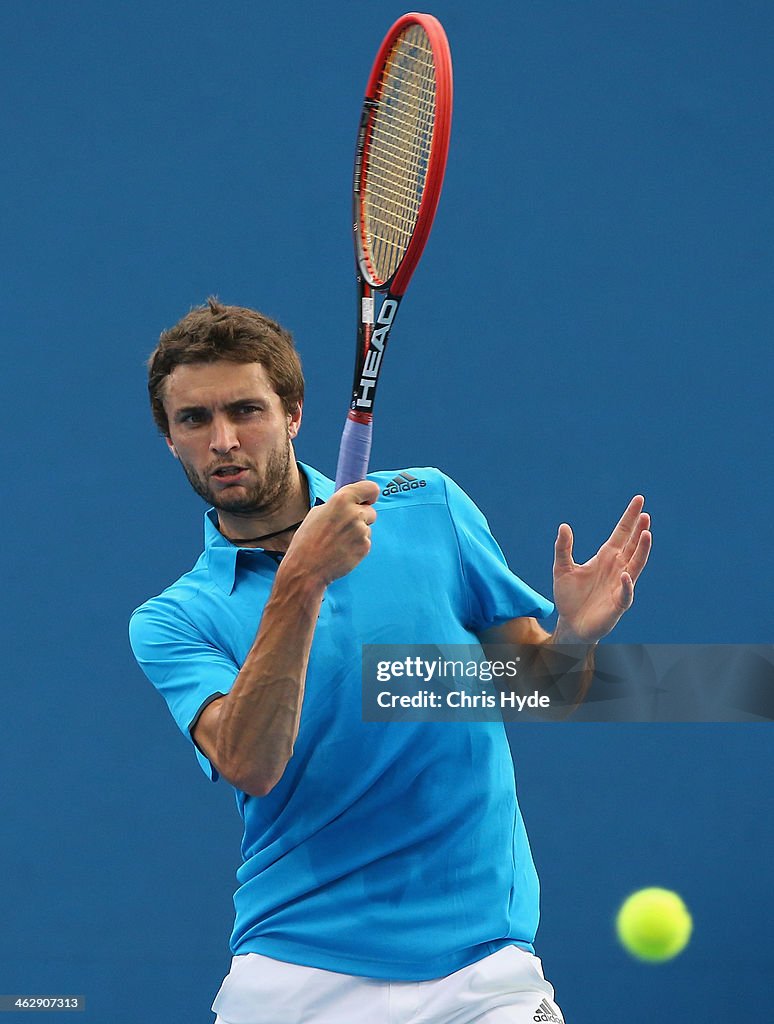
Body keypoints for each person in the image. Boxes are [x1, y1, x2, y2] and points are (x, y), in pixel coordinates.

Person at [130, 298, 651, 1024]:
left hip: (483, 971)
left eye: (246, 410)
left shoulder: (430, 504)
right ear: (169, 439)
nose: (223, 440)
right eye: (193, 420)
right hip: (293, 972)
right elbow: (251, 762)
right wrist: (301, 581)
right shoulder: (173, 620)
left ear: (293, 415)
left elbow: (542, 687)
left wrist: (575, 635)